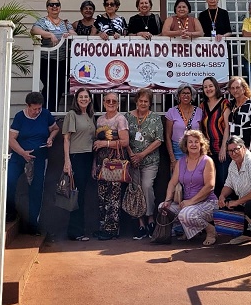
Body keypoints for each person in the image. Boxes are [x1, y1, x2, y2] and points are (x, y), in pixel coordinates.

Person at [6, 92, 60, 235]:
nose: (37, 111)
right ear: (27, 106)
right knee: (9, 181)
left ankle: (33, 223)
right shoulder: (20, 117)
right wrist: (23, 153)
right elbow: (11, 139)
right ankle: (9, 212)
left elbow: (55, 129)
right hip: (20, 155)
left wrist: (51, 138)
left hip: (39, 156)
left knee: (36, 189)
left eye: (39, 108)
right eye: (34, 109)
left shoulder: (45, 114)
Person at [160, 130, 217, 246]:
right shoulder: (180, 162)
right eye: (190, 142)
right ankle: (190, 230)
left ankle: (210, 230)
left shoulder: (207, 161)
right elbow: (172, 183)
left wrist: (191, 201)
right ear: (185, 145)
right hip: (187, 204)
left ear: (201, 145)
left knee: (185, 214)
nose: (193, 144)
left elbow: (210, 186)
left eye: (197, 142)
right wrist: (167, 200)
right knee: (163, 208)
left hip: (208, 202)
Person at [125, 88, 163, 239]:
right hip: (132, 161)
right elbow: (124, 137)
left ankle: (150, 218)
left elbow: (159, 139)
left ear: (150, 103)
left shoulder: (155, 118)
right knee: (136, 189)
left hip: (150, 160)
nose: (143, 103)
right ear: (136, 101)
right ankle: (140, 222)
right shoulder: (128, 116)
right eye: (140, 100)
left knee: (147, 186)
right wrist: (132, 155)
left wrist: (142, 155)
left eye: (146, 101)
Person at [93, 92, 130, 240]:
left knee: (114, 196)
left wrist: (105, 143)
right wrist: (94, 165)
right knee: (102, 196)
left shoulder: (121, 119)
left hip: (115, 163)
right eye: (108, 100)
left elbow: (125, 142)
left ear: (118, 104)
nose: (111, 103)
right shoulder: (100, 120)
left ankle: (112, 229)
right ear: (103, 103)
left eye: (114, 101)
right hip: (101, 163)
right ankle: (103, 227)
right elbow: (96, 144)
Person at [62, 88, 96, 241]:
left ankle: (78, 230)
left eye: (86, 97)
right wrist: (67, 161)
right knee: (76, 195)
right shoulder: (71, 115)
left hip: (88, 157)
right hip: (76, 157)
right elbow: (66, 139)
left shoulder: (90, 116)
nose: (83, 99)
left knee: (82, 194)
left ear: (89, 99)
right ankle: (75, 232)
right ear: (76, 99)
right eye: (81, 97)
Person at [31, 0, 75, 110]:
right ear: (47, 8)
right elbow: (34, 30)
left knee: (59, 87)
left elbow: (73, 33)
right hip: (46, 60)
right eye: (51, 5)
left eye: (57, 4)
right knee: (50, 86)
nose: (54, 7)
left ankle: (52, 111)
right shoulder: (43, 21)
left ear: (60, 7)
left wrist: (69, 35)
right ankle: (45, 111)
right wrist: (50, 34)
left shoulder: (65, 23)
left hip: (62, 61)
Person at [200, 76, 231, 195]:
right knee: (211, 181)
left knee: (223, 180)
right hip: (208, 151)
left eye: (210, 86)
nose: (208, 89)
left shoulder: (224, 104)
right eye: (205, 87)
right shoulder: (202, 106)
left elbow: (227, 127)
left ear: (216, 87)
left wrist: (224, 147)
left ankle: (225, 208)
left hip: (221, 149)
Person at [165, 84, 203, 170]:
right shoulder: (172, 112)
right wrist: (172, 158)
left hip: (194, 148)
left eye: (188, 93)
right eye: (183, 93)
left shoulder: (199, 111)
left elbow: (201, 135)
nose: (186, 95)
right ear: (178, 95)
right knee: (177, 179)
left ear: (192, 96)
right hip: (177, 149)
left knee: (193, 178)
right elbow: (167, 136)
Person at [227, 76, 251, 155]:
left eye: (237, 87)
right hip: (236, 152)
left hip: (249, 150)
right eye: (232, 88)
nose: (235, 90)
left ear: (244, 89)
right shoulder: (232, 105)